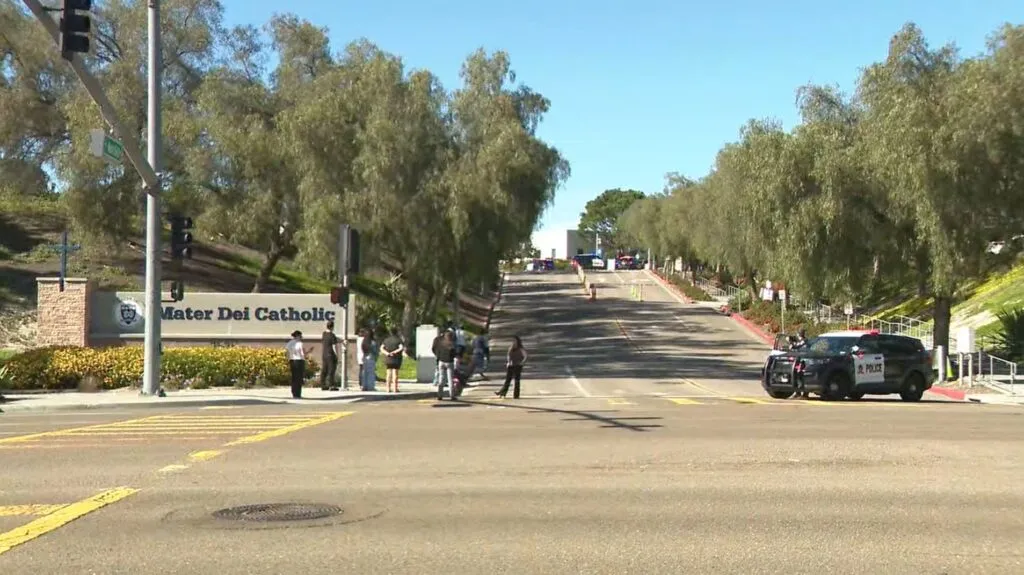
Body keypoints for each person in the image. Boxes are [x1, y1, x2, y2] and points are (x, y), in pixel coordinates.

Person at [285, 330, 311, 399]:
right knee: (299, 378)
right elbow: (303, 354)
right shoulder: (300, 344)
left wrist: (288, 359)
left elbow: (287, 352)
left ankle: (294, 393)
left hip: (292, 360)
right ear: (298, 336)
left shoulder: (289, 343)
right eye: (300, 336)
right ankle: (298, 394)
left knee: (294, 377)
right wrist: (310, 351)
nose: (301, 337)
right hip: (299, 361)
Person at [435, 330, 457, 400]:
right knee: (450, 380)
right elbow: (454, 354)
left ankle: (440, 395)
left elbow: (437, 351)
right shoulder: (452, 344)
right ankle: (452, 395)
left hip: (441, 362)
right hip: (449, 362)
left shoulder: (441, 343)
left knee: (441, 379)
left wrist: (438, 358)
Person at [381, 328, 405, 393]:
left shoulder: (386, 340)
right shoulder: (398, 340)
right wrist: (394, 352)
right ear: (396, 332)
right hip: (396, 358)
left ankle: (387, 389)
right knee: (395, 373)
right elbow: (401, 348)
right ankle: (395, 388)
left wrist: (387, 353)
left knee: (388, 373)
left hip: (388, 358)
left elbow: (381, 348)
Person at [320, 321, 340, 391]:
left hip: (324, 354)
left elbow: (333, 339)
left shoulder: (324, 334)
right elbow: (334, 346)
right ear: (332, 327)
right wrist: (337, 355)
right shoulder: (332, 335)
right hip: (331, 355)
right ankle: (331, 385)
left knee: (324, 370)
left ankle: (323, 385)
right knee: (331, 370)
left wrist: (341, 340)